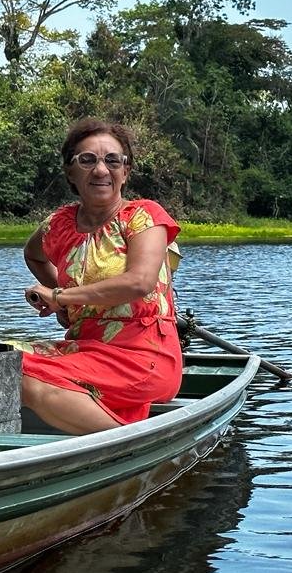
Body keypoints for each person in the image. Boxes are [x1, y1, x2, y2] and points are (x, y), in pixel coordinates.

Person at [16, 116, 182, 435]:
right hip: (84, 348)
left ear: (126, 171)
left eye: (112, 160)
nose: (101, 170)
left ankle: (129, 445)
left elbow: (140, 282)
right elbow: (33, 254)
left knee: (21, 374)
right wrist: (61, 302)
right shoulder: (60, 224)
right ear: (70, 171)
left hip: (144, 356)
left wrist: (61, 297)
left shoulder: (144, 216)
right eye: (87, 160)